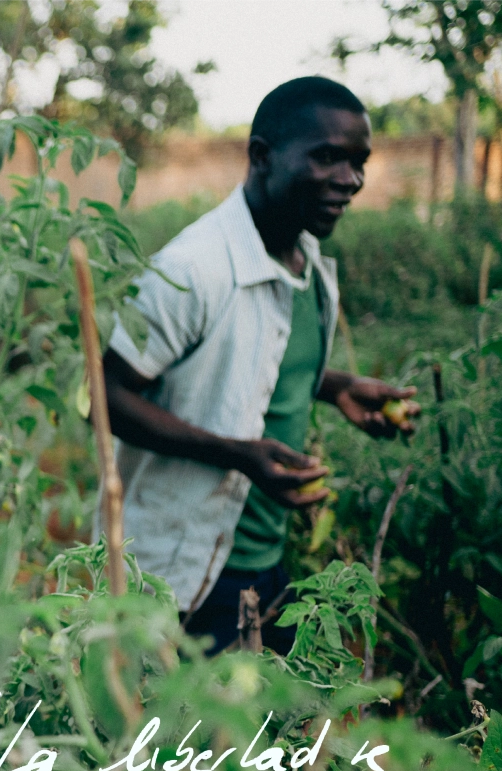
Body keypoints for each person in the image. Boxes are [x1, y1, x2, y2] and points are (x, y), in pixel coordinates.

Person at [101, 76, 420, 655]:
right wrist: (238, 454)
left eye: (358, 163)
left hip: (266, 560)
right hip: (185, 568)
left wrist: (336, 387)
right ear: (261, 156)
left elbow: (255, 359)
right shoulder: (193, 269)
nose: (350, 180)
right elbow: (106, 397)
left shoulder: (306, 261)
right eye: (327, 157)